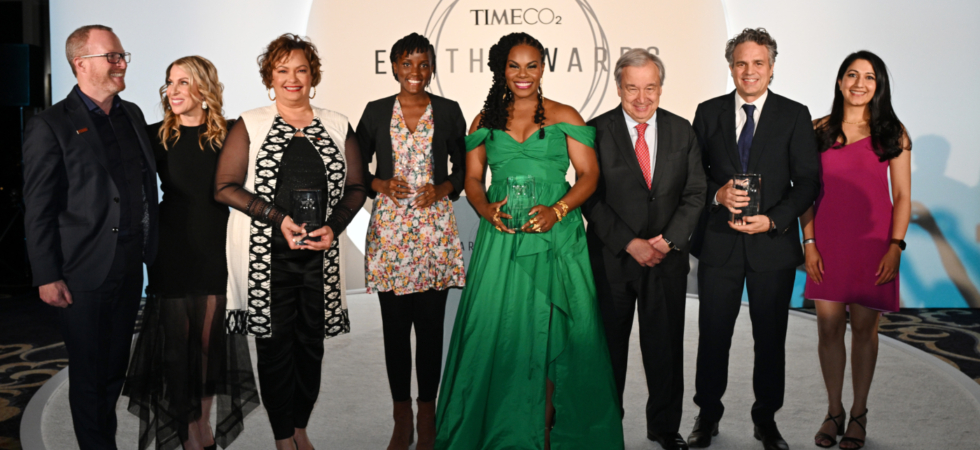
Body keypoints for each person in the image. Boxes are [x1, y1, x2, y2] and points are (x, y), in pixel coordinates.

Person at [435, 32, 624, 450]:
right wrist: (485, 210)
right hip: (501, 237)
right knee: (497, 329)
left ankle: (549, 431)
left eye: (532, 65)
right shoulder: (483, 121)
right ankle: (506, 430)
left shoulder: (565, 115)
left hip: (556, 236)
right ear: (501, 70)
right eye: (514, 66)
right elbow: (472, 179)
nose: (524, 74)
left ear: (543, 68)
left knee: (559, 330)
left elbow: (589, 175)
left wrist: (558, 210)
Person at [214, 33, 366, 450]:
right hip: (266, 261)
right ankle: (283, 438)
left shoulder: (337, 124)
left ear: (313, 76)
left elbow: (357, 186)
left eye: (301, 70)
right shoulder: (250, 123)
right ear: (270, 77)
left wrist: (333, 227)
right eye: (282, 70)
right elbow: (224, 187)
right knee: (275, 350)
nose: (292, 78)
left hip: (319, 259)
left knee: (311, 349)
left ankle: (300, 426)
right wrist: (278, 219)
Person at [22, 24, 159, 449]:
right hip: (82, 272)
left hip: (130, 266)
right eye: (111, 57)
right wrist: (47, 275)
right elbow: (38, 207)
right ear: (80, 63)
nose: (121, 64)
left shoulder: (131, 114)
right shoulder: (50, 125)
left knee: (114, 369)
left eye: (122, 56)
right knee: (89, 373)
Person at [688, 28, 820, 450]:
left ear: (772, 67)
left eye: (758, 63)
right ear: (731, 67)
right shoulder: (708, 112)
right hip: (719, 243)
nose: (749, 71)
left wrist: (775, 220)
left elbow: (809, 182)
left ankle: (766, 420)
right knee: (713, 336)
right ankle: (707, 415)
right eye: (741, 63)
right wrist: (718, 194)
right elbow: (693, 175)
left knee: (770, 339)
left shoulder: (794, 114)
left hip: (771, 246)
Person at [123, 55, 258, 450]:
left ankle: (202, 425)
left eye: (183, 82)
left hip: (216, 246)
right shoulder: (154, 137)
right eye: (170, 82)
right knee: (177, 349)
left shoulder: (231, 134)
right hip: (173, 250)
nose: (173, 90)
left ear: (204, 88)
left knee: (208, 346)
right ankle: (187, 434)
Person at [582, 49, 706, 450]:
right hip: (612, 259)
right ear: (618, 88)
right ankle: (606, 426)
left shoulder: (682, 130)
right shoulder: (595, 131)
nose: (641, 98)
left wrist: (668, 240)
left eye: (650, 87)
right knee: (608, 350)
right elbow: (589, 196)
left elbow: (696, 192)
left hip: (666, 260)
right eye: (632, 88)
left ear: (661, 88)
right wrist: (630, 243)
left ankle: (665, 427)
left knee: (665, 347)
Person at [356, 33, 466, 450]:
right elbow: (354, 167)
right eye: (407, 63)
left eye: (423, 64)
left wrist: (443, 189)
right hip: (391, 233)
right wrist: (381, 184)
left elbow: (467, 168)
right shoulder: (375, 111)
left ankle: (427, 415)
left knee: (432, 329)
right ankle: (401, 417)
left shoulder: (449, 111)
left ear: (432, 67)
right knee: (396, 330)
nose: (415, 72)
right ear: (394, 67)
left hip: (435, 232)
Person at [802, 51, 911, 450]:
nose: (859, 83)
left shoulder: (893, 133)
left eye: (869, 77)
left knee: (865, 329)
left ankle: (859, 413)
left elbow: (902, 196)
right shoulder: (817, 130)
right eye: (852, 74)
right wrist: (809, 243)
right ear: (840, 81)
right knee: (828, 328)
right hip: (826, 243)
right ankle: (834, 411)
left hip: (873, 244)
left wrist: (895, 246)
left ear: (878, 86)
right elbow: (805, 193)